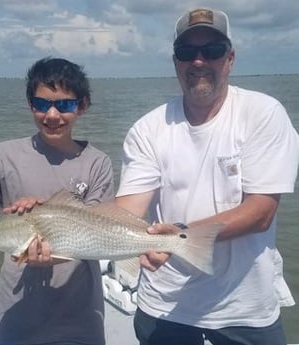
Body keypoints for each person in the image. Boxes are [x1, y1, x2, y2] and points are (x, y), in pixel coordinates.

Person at [116, 7, 299, 345]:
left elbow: (261, 212)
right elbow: (127, 211)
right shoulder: (148, 129)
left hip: (245, 305)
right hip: (165, 303)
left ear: (230, 59)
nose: (198, 61)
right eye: (187, 53)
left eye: (211, 51)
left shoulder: (263, 114)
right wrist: (56, 228)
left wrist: (178, 239)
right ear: (176, 63)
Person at [0, 57, 114, 345]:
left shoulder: (97, 163)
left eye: (64, 105)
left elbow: (103, 234)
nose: (51, 115)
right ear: (30, 104)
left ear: (82, 106)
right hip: (18, 319)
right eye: (41, 104)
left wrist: (50, 212)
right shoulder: (3, 156)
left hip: (81, 320)